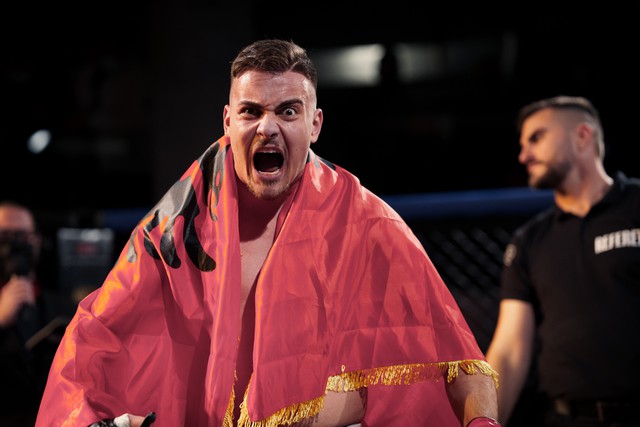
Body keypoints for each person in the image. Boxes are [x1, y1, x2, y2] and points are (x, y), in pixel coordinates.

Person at [35, 39, 500, 427]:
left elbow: (458, 357)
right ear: (228, 121)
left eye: (288, 111)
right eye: (251, 111)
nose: (268, 127)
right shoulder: (176, 226)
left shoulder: (367, 223)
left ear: (315, 124)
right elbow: (97, 332)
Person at [485, 95, 640, 426]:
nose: (524, 155)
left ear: (582, 136)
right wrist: (482, 421)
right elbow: (509, 351)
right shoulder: (529, 240)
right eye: (522, 145)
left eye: (537, 138)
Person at [0, 201, 73, 426]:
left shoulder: (65, 308)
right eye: (4, 236)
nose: (15, 244)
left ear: (37, 241)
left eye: (23, 236)